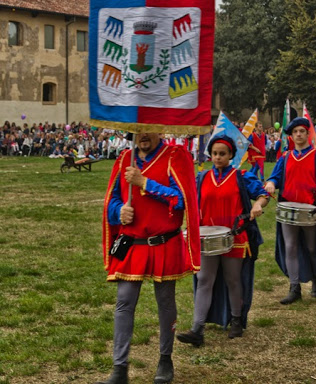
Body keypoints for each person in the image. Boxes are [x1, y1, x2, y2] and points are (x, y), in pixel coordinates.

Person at [98, 132, 201, 384]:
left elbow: (181, 200)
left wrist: (145, 183)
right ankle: (119, 369)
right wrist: (118, 211)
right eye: (138, 129)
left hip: (164, 242)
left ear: (157, 129)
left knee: (165, 301)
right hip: (132, 243)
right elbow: (112, 200)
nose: (143, 135)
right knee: (124, 302)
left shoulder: (176, 156)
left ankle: (165, 359)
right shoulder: (124, 158)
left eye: (148, 128)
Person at [176, 134, 269, 346]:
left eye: (222, 154)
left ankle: (236, 318)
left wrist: (258, 205)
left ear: (231, 156)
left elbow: (263, 195)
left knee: (233, 280)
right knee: (204, 280)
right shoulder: (201, 177)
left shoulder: (241, 176)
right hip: (207, 238)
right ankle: (197, 329)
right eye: (215, 153)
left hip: (234, 236)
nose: (218, 157)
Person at [265, 118, 316, 304]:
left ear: (308, 134)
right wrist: (270, 184)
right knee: (290, 246)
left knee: (312, 247)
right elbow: (274, 177)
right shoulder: (285, 157)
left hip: (311, 210)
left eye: (302, 131)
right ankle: (294, 287)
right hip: (289, 209)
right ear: (291, 136)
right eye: (295, 132)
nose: (298, 134)